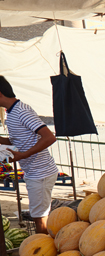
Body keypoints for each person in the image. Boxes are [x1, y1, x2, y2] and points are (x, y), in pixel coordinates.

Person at [0, 76, 58, 234]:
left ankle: (42, 252)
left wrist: (23, 155)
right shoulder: (10, 113)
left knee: (39, 217)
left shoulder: (22, 111)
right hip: (33, 172)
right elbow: (17, 139)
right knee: (38, 214)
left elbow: (49, 137)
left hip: (42, 173)